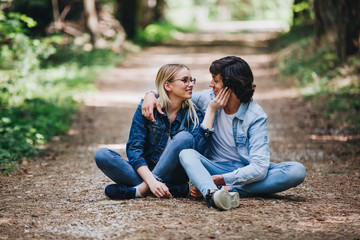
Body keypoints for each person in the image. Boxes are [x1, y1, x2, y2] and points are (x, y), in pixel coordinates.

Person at [142, 56, 306, 210]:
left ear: (231, 85)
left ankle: (223, 189)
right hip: (213, 167)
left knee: (296, 171)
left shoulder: (255, 115)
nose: (211, 84)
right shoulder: (208, 98)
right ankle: (212, 194)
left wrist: (224, 180)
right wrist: (150, 95)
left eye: (216, 80)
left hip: (243, 170)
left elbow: (259, 168)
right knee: (186, 154)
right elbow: (174, 93)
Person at [94, 63, 230, 200]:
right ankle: (171, 189)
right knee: (102, 155)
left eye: (191, 80)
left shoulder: (194, 114)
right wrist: (151, 181)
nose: (190, 84)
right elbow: (134, 150)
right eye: (184, 80)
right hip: (146, 171)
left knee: (184, 138)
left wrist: (211, 111)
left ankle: (141, 189)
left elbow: (198, 153)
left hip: (175, 175)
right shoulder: (147, 108)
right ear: (167, 85)